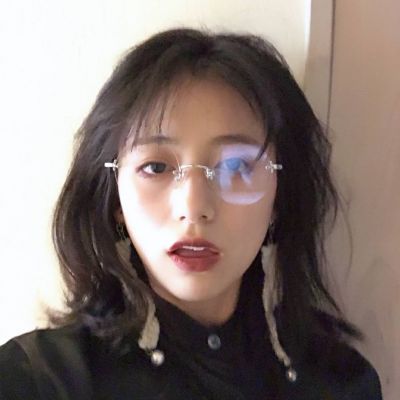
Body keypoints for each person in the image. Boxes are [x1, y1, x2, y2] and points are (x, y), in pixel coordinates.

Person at [0, 28, 382, 399]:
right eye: (156, 167)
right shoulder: (36, 381)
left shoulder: (343, 385)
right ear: (116, 200)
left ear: (279, 198)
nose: (194, 208)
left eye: (237, 167)